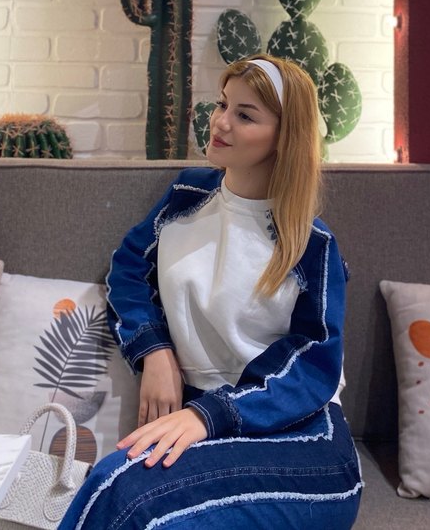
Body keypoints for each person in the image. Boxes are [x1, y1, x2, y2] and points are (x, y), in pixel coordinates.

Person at [58, 54, 363, 530]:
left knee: (131, 498)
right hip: (204, 422)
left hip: (301, 444)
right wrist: (154, 350)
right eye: (223, 104)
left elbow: (313, 367)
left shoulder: (312, 244)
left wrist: (207, 416)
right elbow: (128, 270)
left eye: (245, 115)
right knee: (113, 485)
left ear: (285, 136)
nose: (220, 122)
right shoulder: (187, 196)